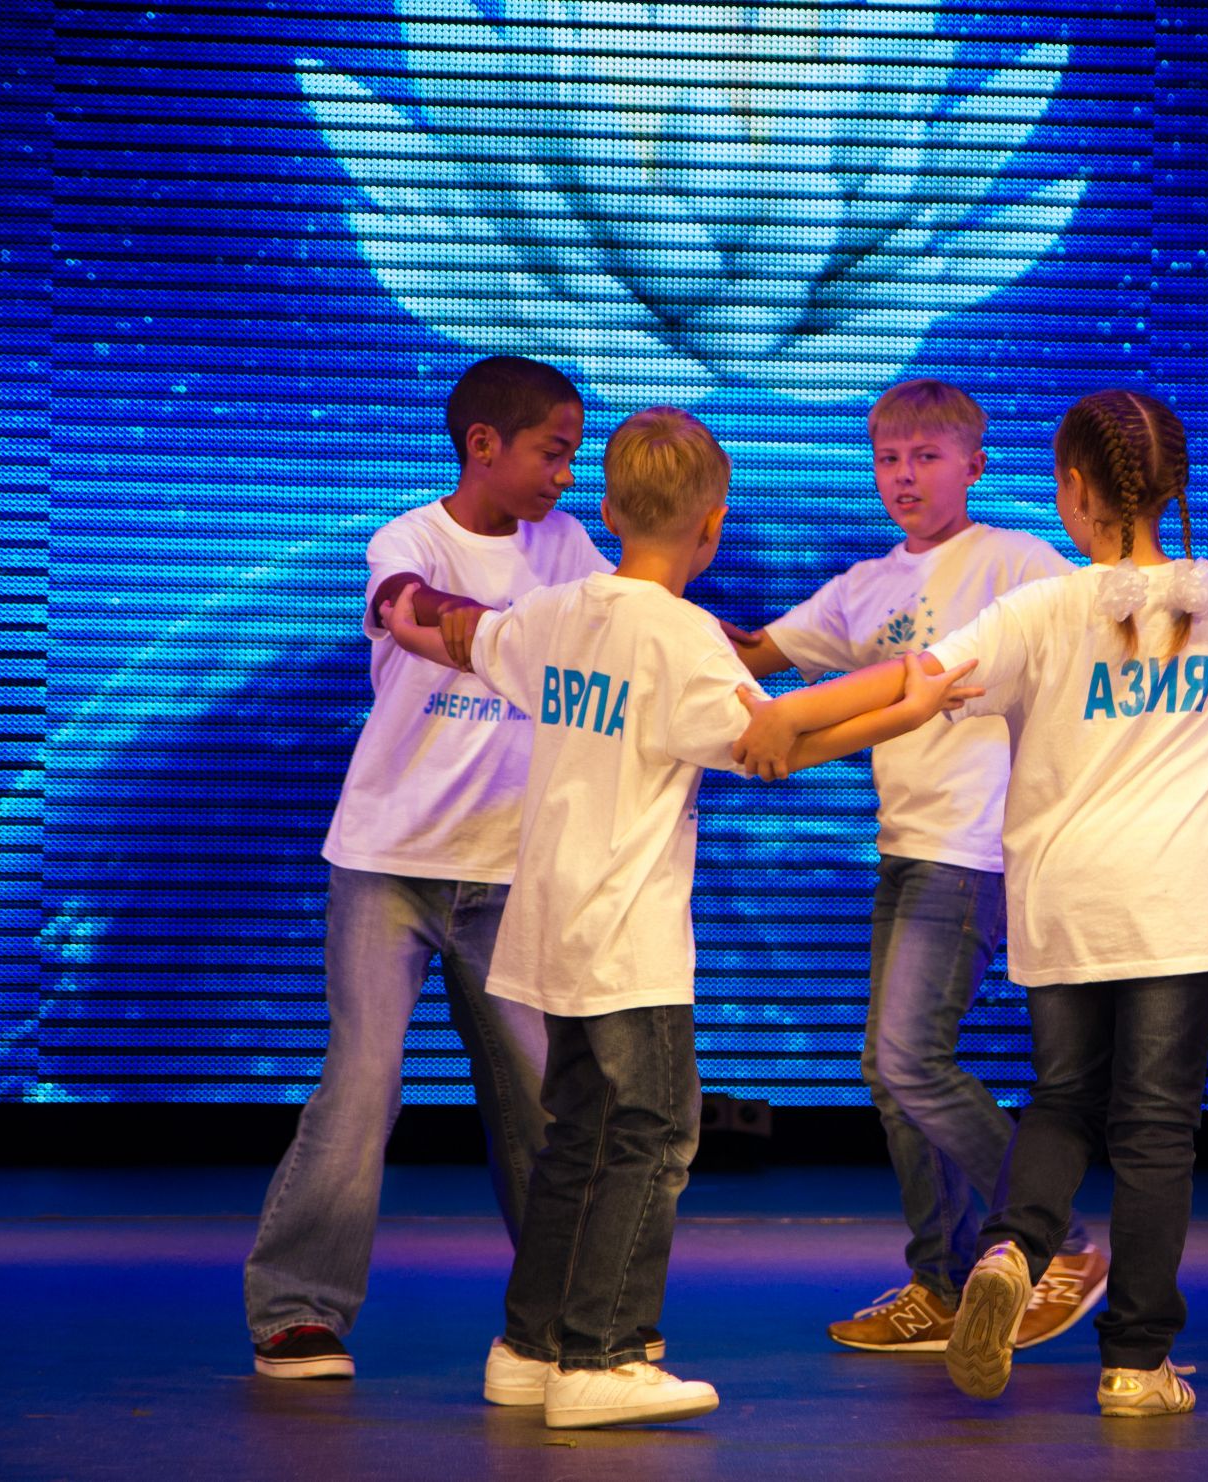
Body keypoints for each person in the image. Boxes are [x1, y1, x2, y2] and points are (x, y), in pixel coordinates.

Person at [735, 389, 1208, 1418]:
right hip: (1171, 913)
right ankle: (1135, 1364)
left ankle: (1010, 1250)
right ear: (1172, 487)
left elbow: (911, 683)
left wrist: (790, 725)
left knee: (1060, 1102)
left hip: (1063, 906)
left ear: (1074, 491)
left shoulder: (1040, 609)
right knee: (1156, 1136)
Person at [380, 405, 980, 1428]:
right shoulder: (685, 639)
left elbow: (469, 636)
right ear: (713, 523)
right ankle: (603, 1356)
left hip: (550, 925)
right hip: (626, 935)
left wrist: (402, 606)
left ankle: (531, 1345)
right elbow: (772, 743)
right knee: (652, 1137)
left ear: (610, 511)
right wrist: (909, 704)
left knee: (576, 1137)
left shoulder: (556, 610)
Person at [716, 379, 1103, 1352]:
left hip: (974, 850)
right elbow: (756, 655)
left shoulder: (1016, 562)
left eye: (926, 457)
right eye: (889, 458)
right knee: (889, 1074)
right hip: (906, 846)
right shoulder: (865, 586)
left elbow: (1091, 654)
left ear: (975, 465)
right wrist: (647, 613)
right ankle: (944, 1283)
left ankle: (1058, 1241)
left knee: (909, 1060)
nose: (904, 476)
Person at [246, 355, 607, 1381]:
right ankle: (297, 1309)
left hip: (509, 871)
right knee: (363, 1082)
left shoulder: (564, 545)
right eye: (552, 453)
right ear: (483, 445)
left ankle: (562, 1320)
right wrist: (509, 638)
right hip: (390, 864)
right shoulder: (408, 538)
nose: (565, 477)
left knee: (540, 1096)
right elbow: (409, 610)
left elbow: (622, 631)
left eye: (574, 458)